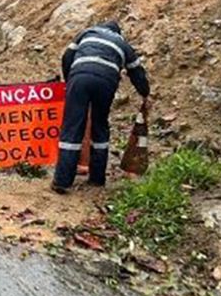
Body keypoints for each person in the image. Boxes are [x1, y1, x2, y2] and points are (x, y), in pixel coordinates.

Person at [52, 21, 150, 193]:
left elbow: (67, 56)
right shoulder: (122, 43)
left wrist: (70, 80)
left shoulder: (88, 32)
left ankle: (62, 181)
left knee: (72, 127)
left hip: (80, 78)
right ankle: (97, 178)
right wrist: (145, 93)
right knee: (100, 126)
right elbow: (137, 72)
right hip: (106, 82)